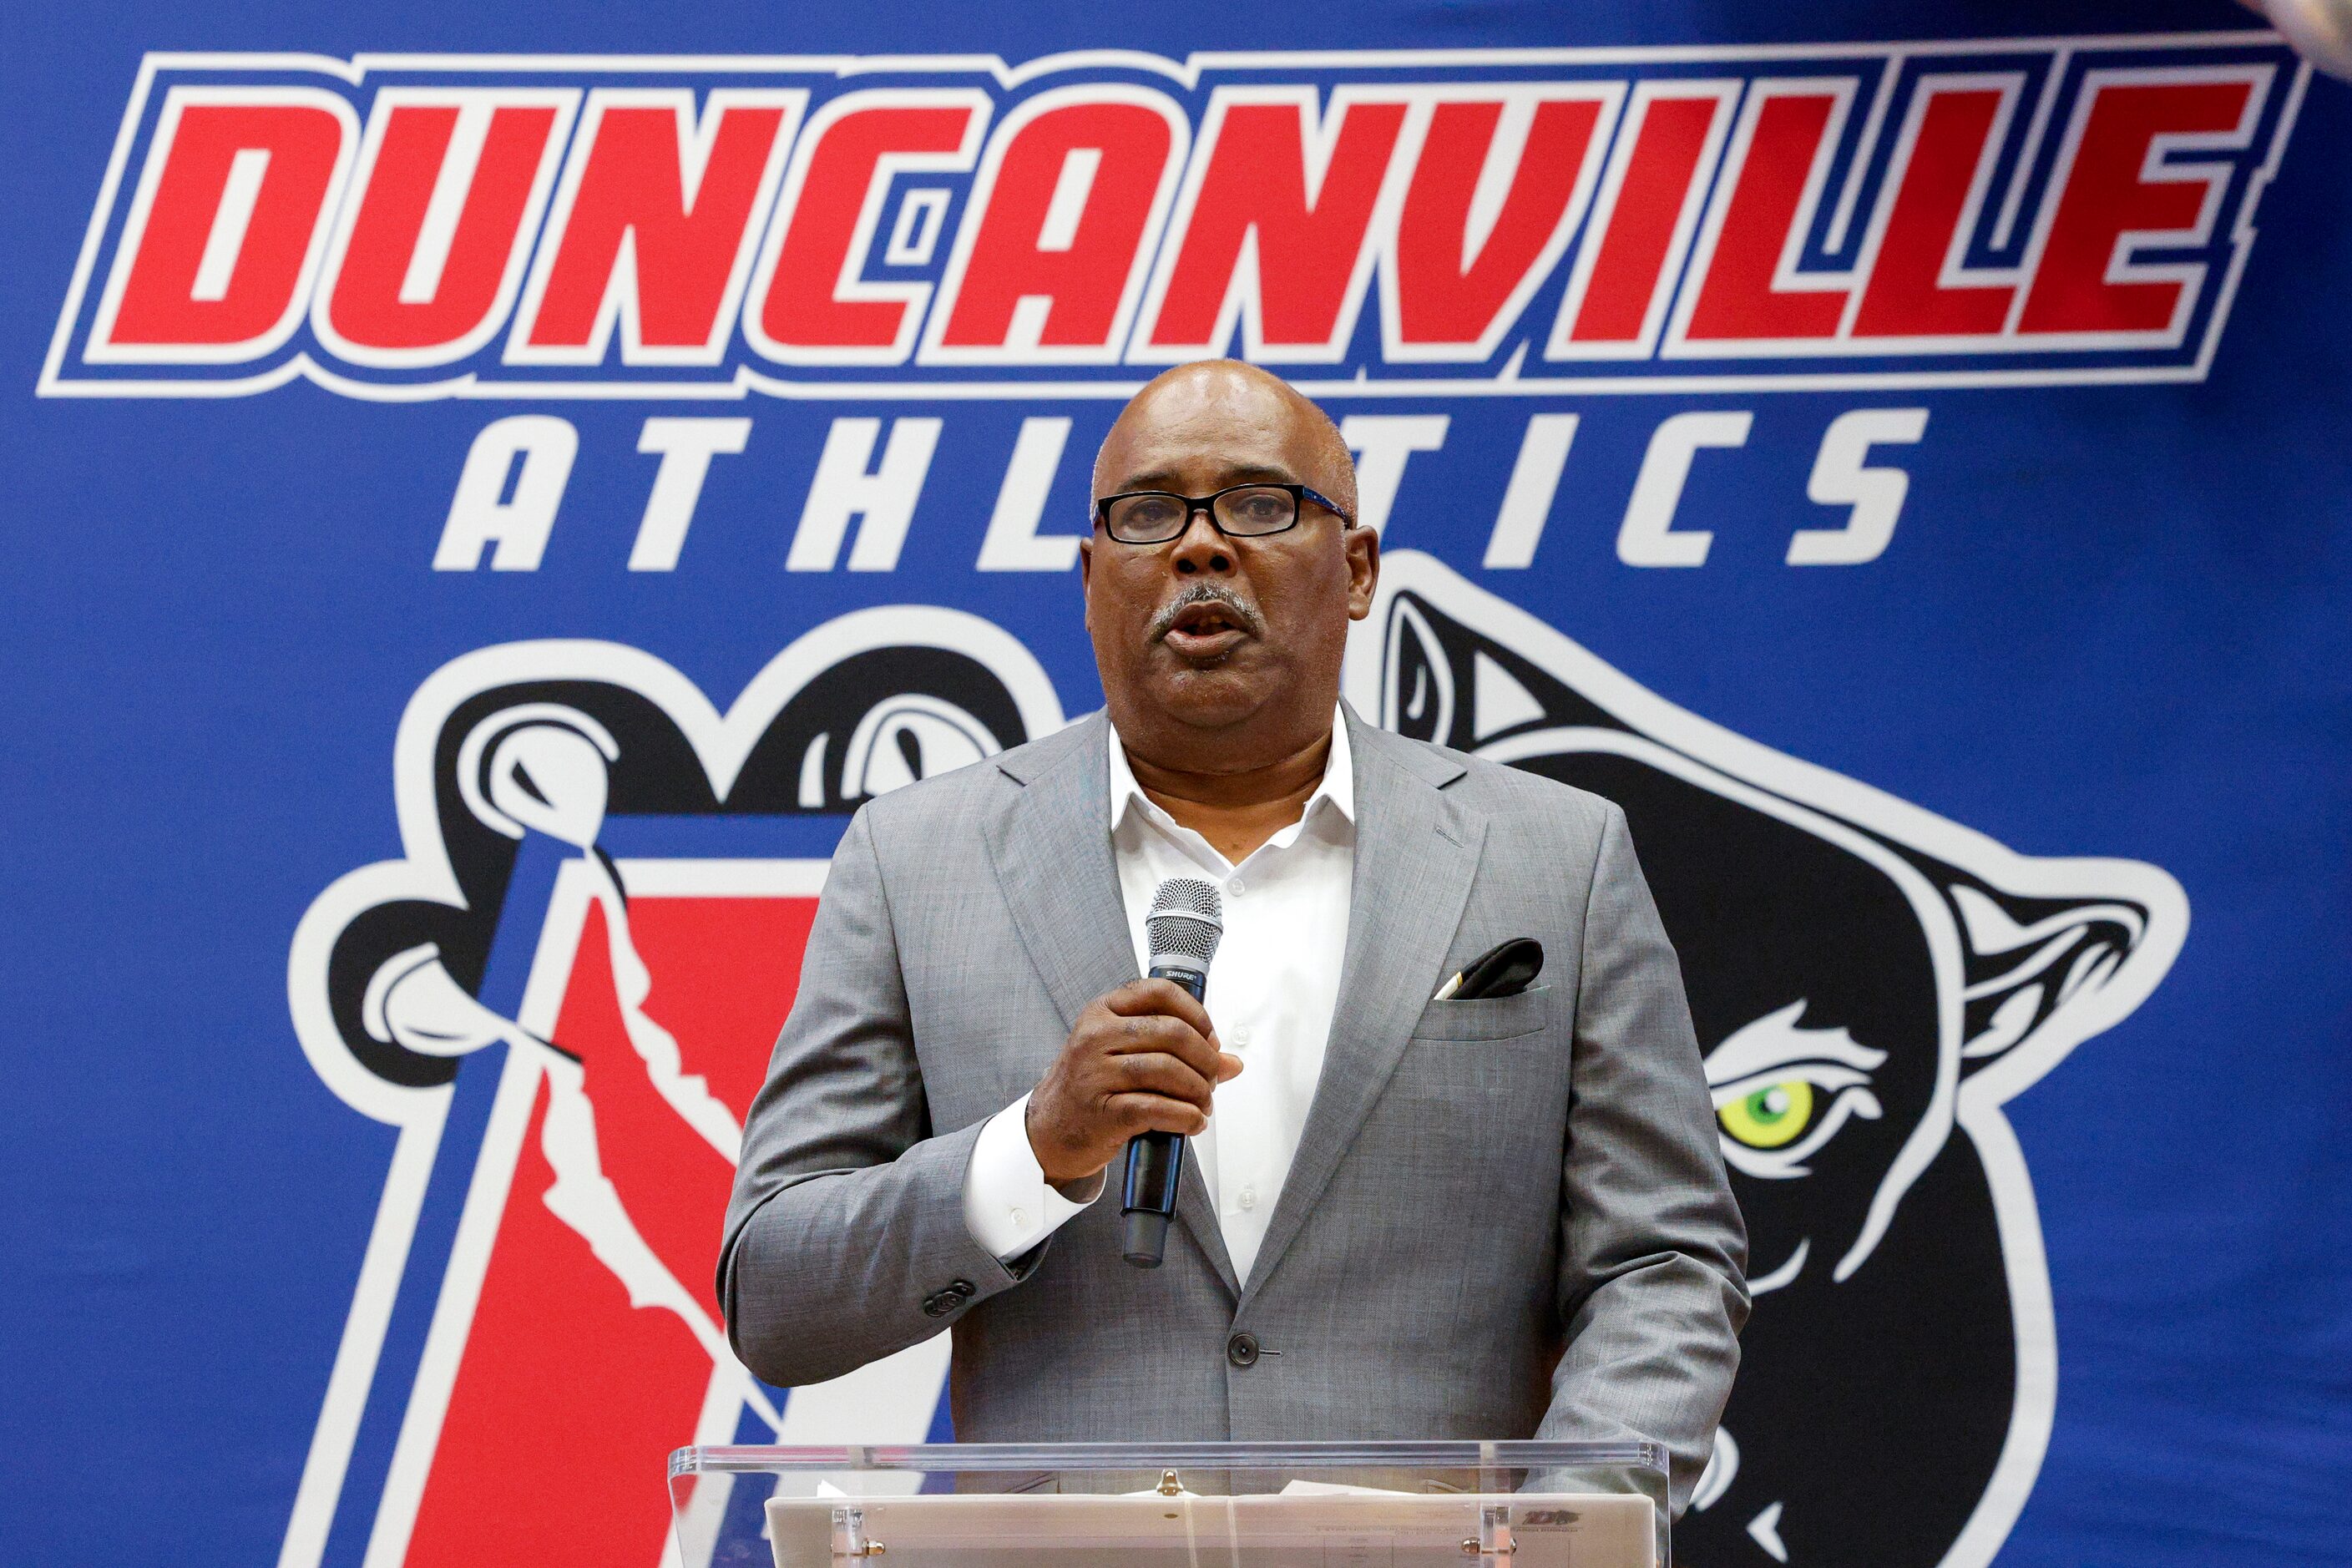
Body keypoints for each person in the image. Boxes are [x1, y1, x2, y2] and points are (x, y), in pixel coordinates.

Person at [721, 360, 1747, 1513]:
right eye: (1148, 512)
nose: (1199, 548)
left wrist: (1565, 1525)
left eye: (1260, 505)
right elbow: (777, 1294)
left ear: (1355, 569)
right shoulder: (917, 859)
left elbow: (1661, 1265)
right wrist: (1032, 1150)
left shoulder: (1555, 856)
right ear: (1089, 574)